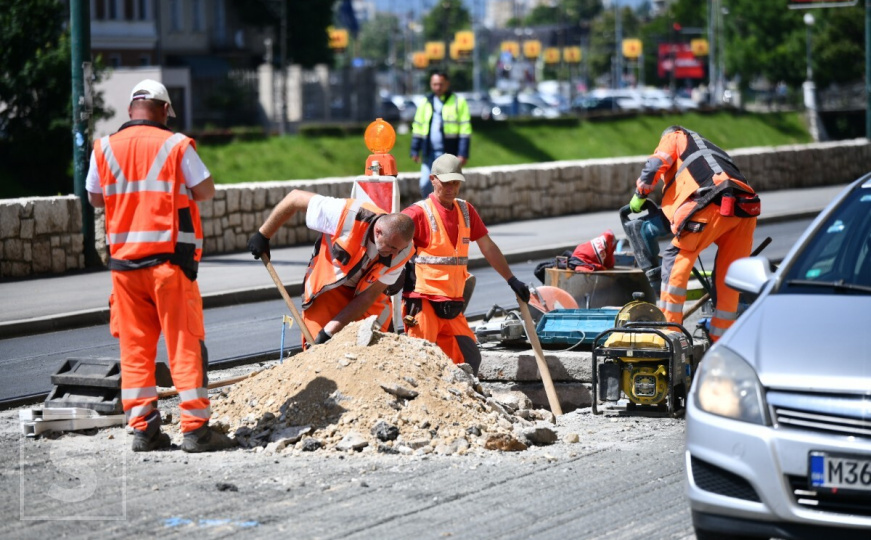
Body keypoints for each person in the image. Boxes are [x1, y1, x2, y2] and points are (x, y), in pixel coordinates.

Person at [87, 79, 235, 453]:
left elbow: (94, 198)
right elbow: (205, 191)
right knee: (184, 344)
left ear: (130, 110)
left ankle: (143, 429)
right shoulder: (174, 144)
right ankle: (195, 430)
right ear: (165, 110)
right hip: (169, 265)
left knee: (135, 351)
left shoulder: (104, 147)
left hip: (124, 268)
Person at [628, 125, 760, 341]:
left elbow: (655, 164)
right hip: (745, 208)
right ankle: (721, 341)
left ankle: (670, 334)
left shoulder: (675, 137)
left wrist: (640, 194)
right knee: (728, 277)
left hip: (711, 201)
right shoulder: (709, 147)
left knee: (675, 259)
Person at [402, 154, 530, 374]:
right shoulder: (417, 213)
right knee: (419, 366)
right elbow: (390, 238)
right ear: (433, 179)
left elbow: (488, 247)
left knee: (469, 359)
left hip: (452, 305)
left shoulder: (466, 211)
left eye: (456, 182)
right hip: (424, 305)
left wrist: (512, 279)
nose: (452, 187)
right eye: (446, 182)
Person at [247, 190, 415, 346]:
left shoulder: (403, 250)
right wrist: (264, 235)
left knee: (374, 350)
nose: (395, 253)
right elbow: (295, 198)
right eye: (391, 247)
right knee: (317, 348)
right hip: (329, 291)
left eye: (399, 249)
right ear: (378, 232)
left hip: (364, 295)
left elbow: (368, 297)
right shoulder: (345, 215)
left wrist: (330, 331)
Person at [410, 71, 472, 199]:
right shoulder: (425, 102)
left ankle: (444, 214)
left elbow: (465, 129)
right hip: (429, 152)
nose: (437, 87)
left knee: (448, 186)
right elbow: (418, 127)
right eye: (434, 84)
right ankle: (430, 213)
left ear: (447, 84)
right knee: (425, 184)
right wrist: (415, 149)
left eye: (440, 84)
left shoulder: (458, 102)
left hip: (448, 153)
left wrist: (463, 153)